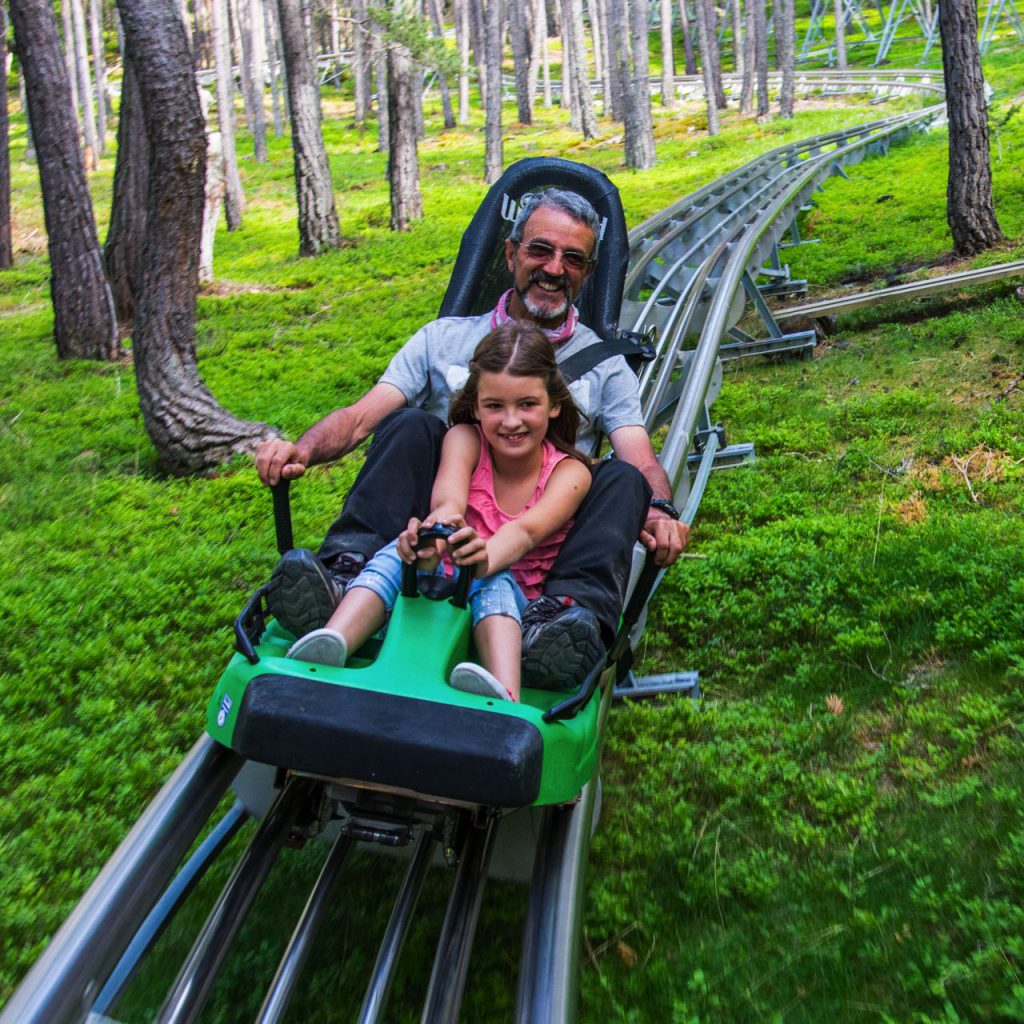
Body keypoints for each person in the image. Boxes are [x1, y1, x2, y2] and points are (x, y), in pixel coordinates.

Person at [255, 188, 689, 689]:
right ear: (510, 254)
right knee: (411, 424)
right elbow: (360, 418)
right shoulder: (443, 339)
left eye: (572, 258)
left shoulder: (606, 364)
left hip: (544, 529)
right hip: (438, 524)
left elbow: (638, 455)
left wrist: (659, 511)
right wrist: (302, 450)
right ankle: (346, 574)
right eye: (540, 250)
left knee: (621, 480)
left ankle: (564, 620)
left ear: (587, 273)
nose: (553, 269)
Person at [286, 323, 593, 702]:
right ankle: (334, 641)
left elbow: (526, 532)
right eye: (495, 406)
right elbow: (448, 504)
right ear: (476, 407)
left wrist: (481, 561)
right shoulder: (464, 439)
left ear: (554, 404)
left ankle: (505, 689)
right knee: (392, 556)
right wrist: (429, 538)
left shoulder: (569, 472)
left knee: (493, 581)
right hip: (448, 573)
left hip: (512, 596)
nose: (511, 421)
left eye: (527, 404)